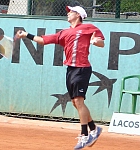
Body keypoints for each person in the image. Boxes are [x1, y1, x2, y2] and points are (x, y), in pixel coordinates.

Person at [16, 5, 105, 150]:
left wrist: (96, 42)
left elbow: (101, 42)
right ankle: (94, 129)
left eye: (71, 12)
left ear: (78, 15)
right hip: (70, 70)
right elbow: (43, 40)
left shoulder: (88, 27)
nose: (68, 13)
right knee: (76, 103)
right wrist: (26, 34)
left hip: (82, 68)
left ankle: (84, 136)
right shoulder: (64, 33)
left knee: (78, 101)